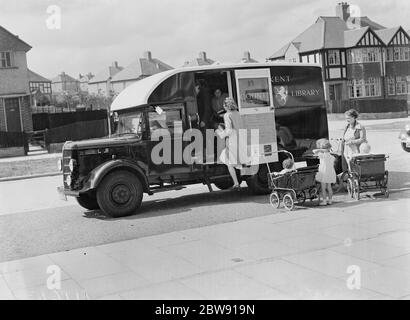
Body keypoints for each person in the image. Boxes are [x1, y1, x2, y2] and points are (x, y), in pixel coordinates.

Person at [217, 97, 243, 189]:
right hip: (240, 138)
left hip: (232, 140)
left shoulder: (227, 115)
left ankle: (236, 183)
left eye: (224, 106)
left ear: (225, 106)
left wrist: (220, 133)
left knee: (228, 162)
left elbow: (229, 130)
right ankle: (237, 181)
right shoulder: (238, 113)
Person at [313, 138, 337, 205]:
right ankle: (330, 200)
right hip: (330, 173)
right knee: (329, 187)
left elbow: (314, 151)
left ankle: (324, 201)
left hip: (324, 173)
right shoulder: (332, 157)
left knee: (323, 188)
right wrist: (326, 149)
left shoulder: (322, 155)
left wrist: (321, 150)